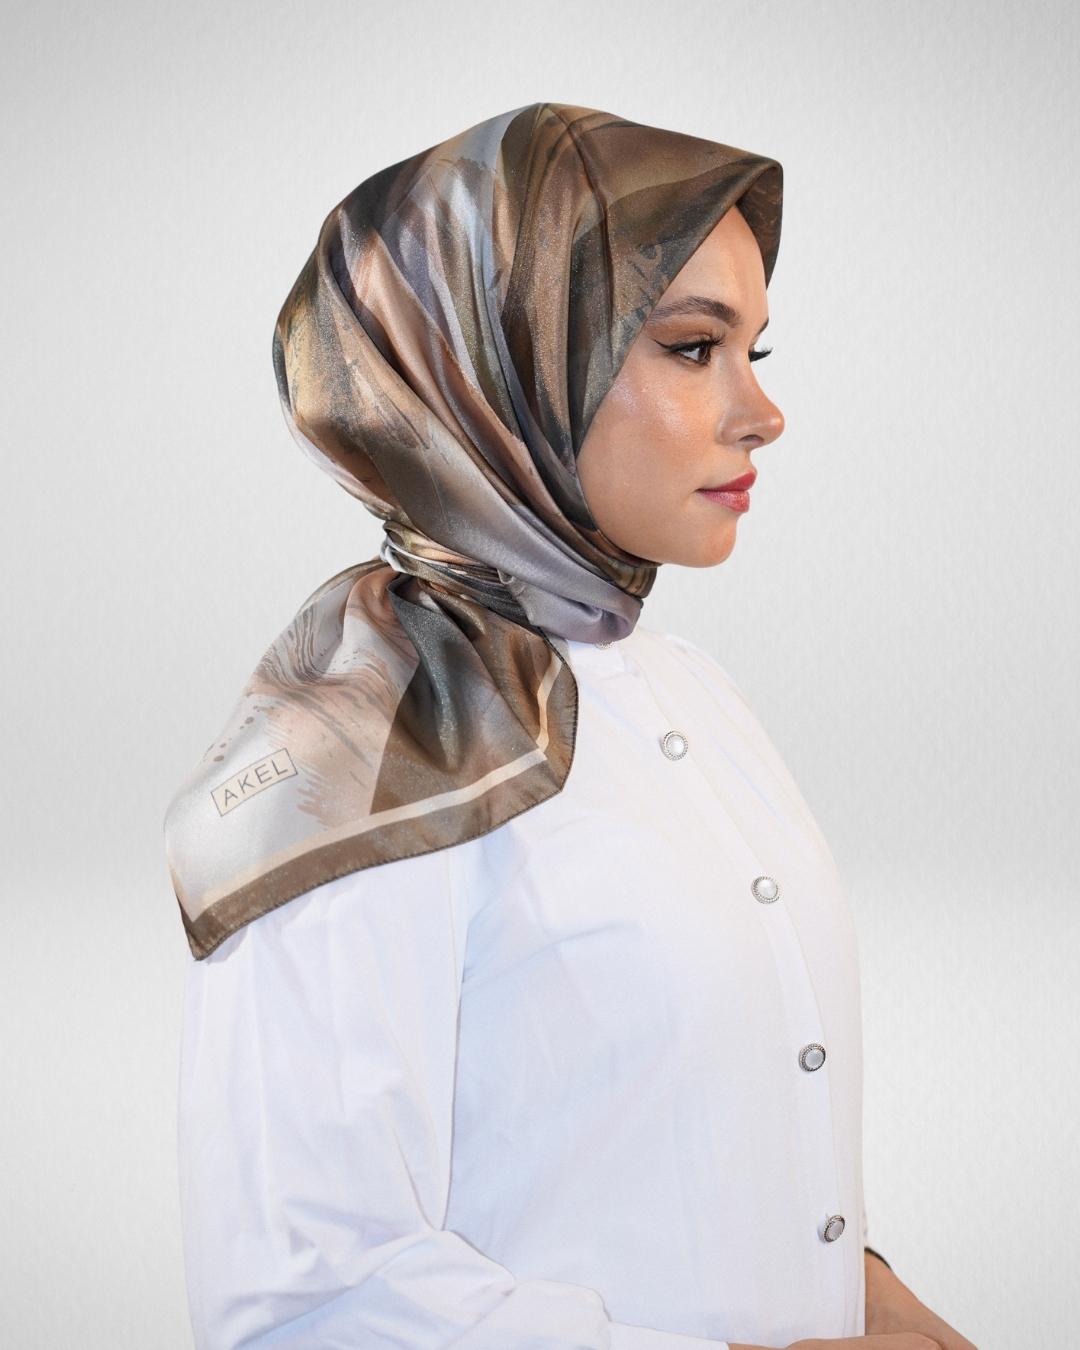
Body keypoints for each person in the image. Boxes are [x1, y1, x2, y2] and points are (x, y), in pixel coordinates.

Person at [165, 102, 977, 1349]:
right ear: (496, 366)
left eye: (757, 349)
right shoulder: (356, 757)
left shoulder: (690, 689)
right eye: (694, 348)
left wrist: (874, 1298)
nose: (763, 413)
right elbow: (306, 1303)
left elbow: (685, 1136)